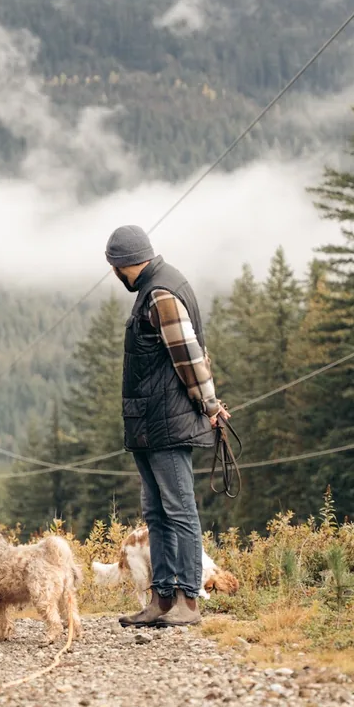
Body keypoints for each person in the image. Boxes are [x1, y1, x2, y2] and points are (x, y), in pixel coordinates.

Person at [104, 224, 229, 628]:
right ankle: (161, 599)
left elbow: (189, 356)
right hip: (151, 423)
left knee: (179, 510)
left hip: (167, 421)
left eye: (114, 268)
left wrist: (209, 404)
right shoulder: (158, 286)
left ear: (121, 265)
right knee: (156, 511)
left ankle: (187, 603)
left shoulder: (159, 293)